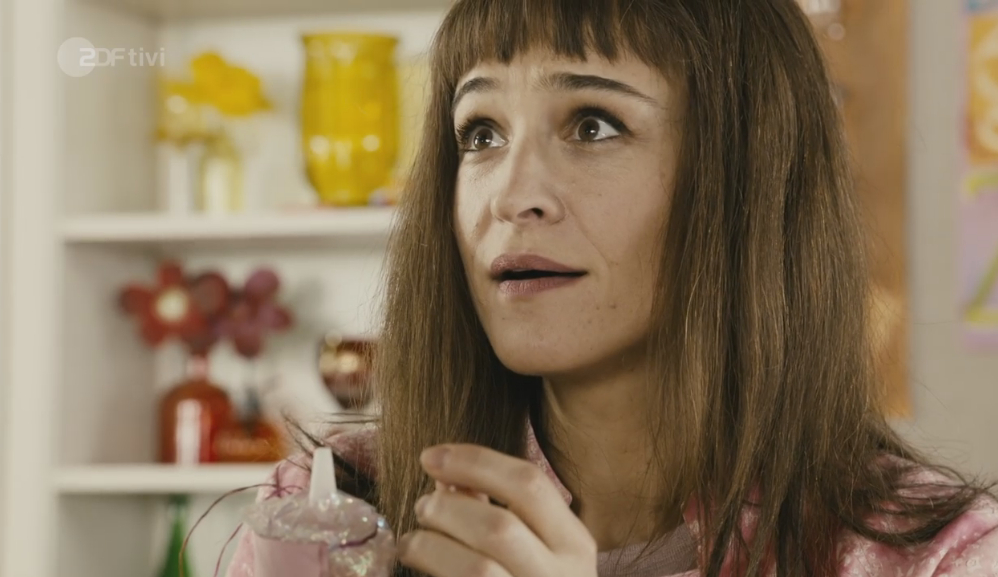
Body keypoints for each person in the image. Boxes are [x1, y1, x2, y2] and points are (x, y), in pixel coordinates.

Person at [227, 1, 998, 576]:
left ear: (745, 180)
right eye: (481, 133)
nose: (511, 195)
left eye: (592, 124)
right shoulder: (328, 519)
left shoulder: (943, 558)